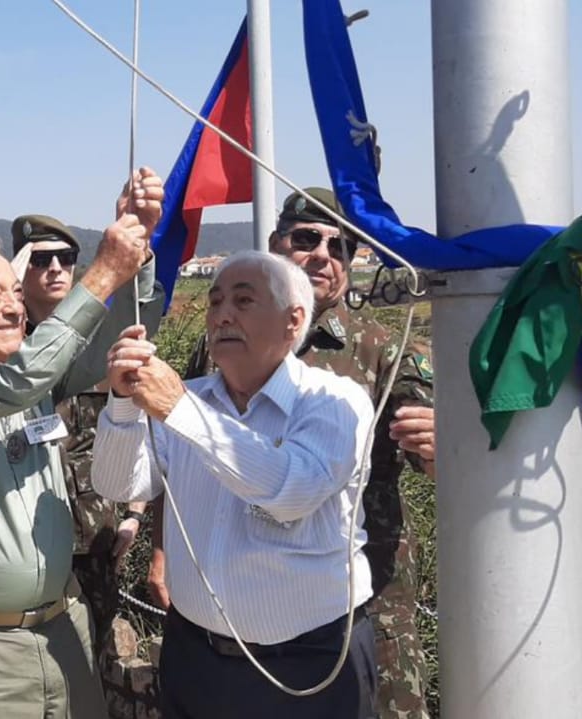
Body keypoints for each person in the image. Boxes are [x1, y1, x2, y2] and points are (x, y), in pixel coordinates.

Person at [148, 188, 435, 718]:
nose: (324, 254)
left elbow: (440, 460)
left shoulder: (379, 351)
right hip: (226, 601)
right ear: (277, 246)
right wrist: (165, 551)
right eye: (306, 239)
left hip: (352, 594)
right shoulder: (221, 339)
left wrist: (446, 444)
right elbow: (182, 455)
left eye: (341, 246)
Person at [0, 168, 165, 718]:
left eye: (16, 293)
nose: (16, 307)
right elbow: (11, 382)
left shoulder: (33, 370)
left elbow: (92, 340)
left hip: (66, 628)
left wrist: (137, 241)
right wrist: (104, 270)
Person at [95, 251, 377, 718]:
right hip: (195, 658)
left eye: (244, 301)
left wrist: (178, 410)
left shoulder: (333, 401)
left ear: (294, 320)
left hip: (309, 664)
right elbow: (119, 481)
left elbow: (292, 492)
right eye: (216, 301)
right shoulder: (190, 399)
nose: (222, 314)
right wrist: (123, 403)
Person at [10, 213, 149, 660]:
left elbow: (137, 424)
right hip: (24, 541)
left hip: (94, 540)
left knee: (93, 667)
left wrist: (134, 514)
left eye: (65, 258)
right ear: (20, 267)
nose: (55, 268)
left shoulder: (101, 339)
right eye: (41, 258)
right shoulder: (0, 349)